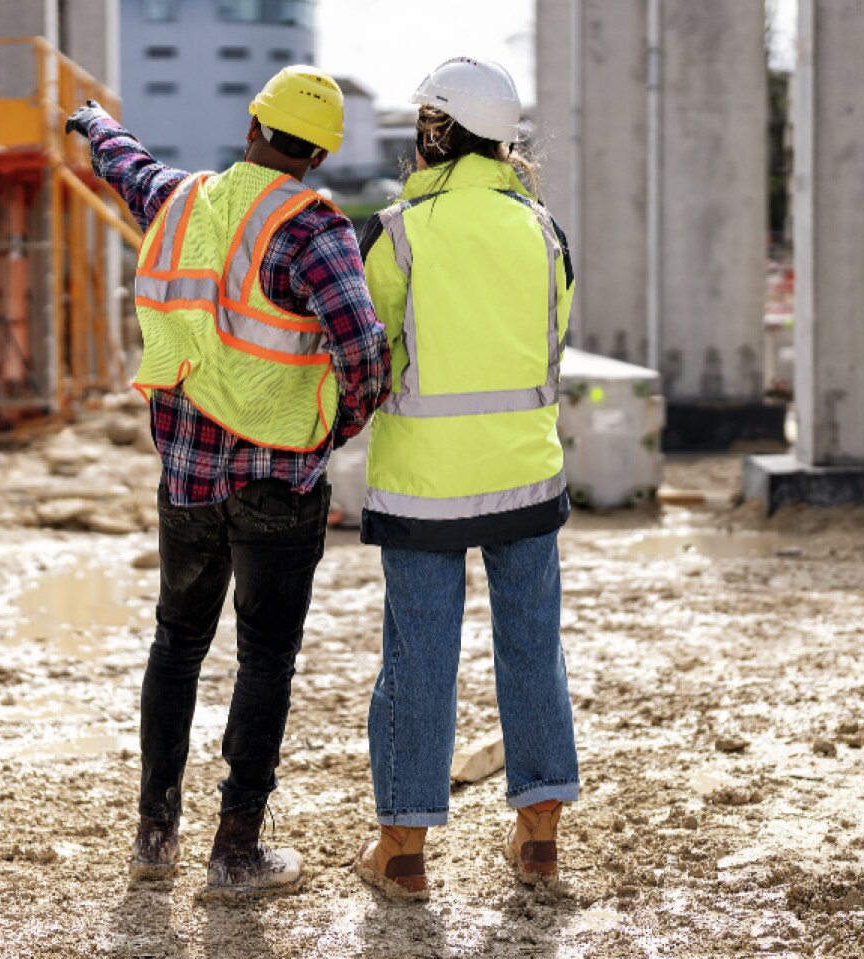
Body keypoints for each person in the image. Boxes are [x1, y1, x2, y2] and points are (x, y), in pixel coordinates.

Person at [64, 67, 390, 895]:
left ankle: (154, 836)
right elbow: (361, 349)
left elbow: (129, 166)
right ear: (319, 153)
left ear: (253, 124)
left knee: (177, 644)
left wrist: (95, 123)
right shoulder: (316, 230)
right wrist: (337, 428)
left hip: (188, 479)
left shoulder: (183, 201)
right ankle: (236, 851)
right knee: (266, 658)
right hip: (281, 482)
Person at [349, 57, 578, 899]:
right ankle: (540, 840)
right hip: (524, 477)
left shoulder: (400, 231)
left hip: (424, 485)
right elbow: (553, 341)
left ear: (437, 134)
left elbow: (372, 355)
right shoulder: (541, 229)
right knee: (532, 650)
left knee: (418, 661)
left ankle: (403, 852)